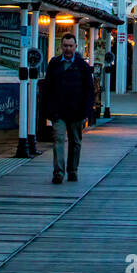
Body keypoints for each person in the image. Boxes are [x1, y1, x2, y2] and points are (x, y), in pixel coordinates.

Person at [42, 33, 94, 183]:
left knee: (75, 142)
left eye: (71, 46)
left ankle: (73, 170)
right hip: (58, 112)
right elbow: (47, 87)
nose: (68, 49)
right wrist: (48, 110)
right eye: (65, 46)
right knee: (58, 139)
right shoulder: (54, 64)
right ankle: (58, 172)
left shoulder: (82, 66)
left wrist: (86, 111)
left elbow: (89, 90)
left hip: (76, 111)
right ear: (61, 47)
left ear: (76, 47)